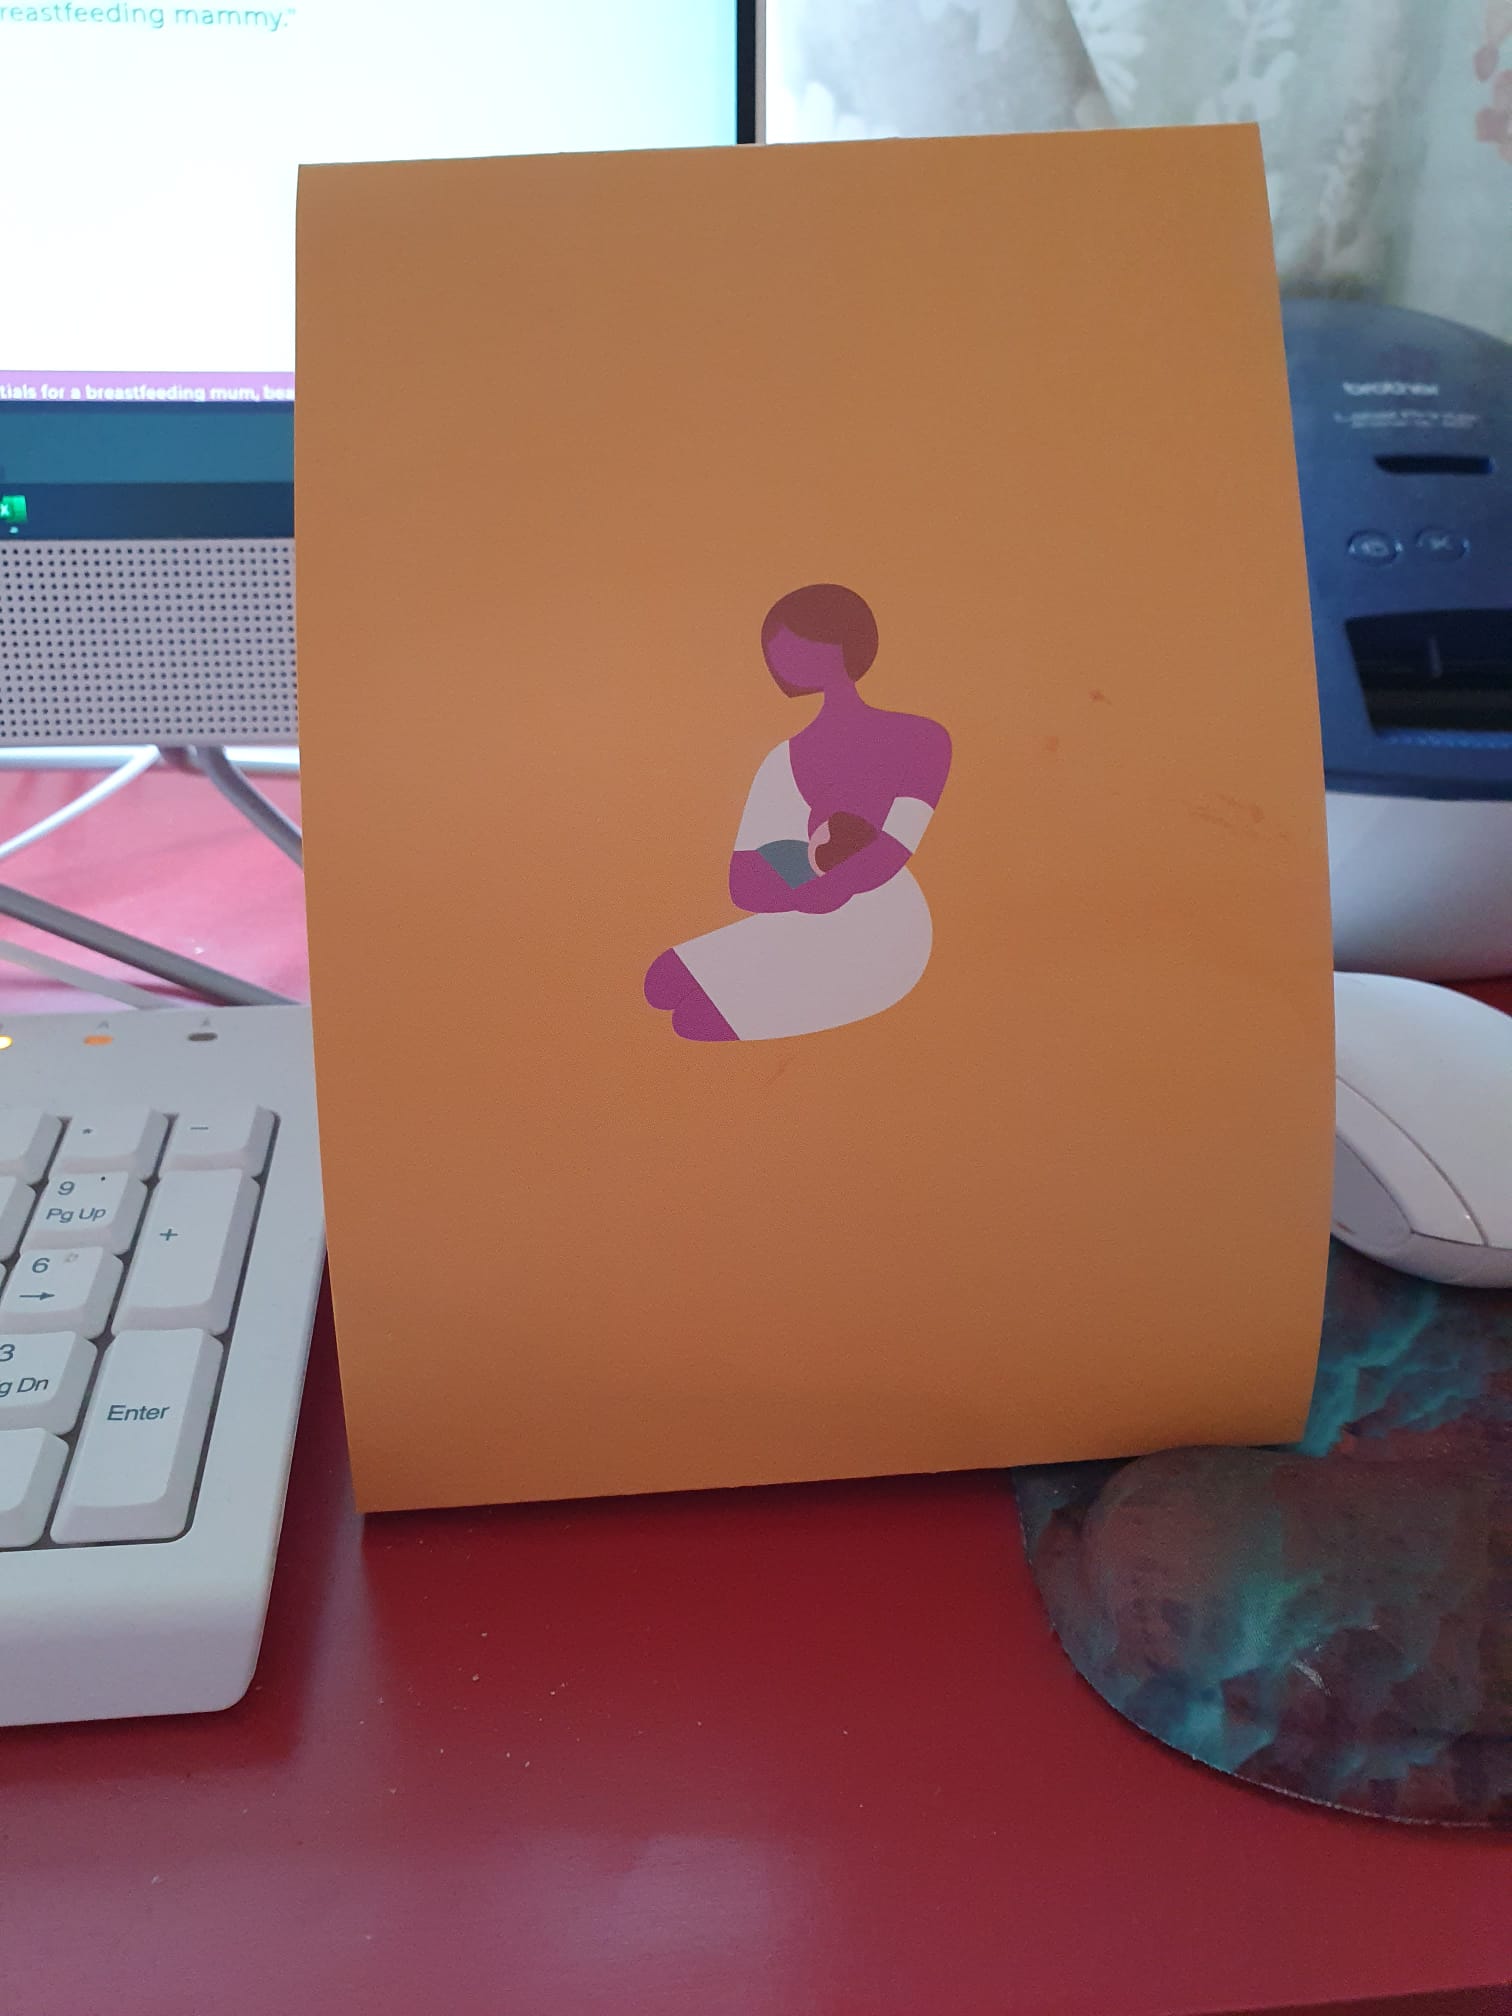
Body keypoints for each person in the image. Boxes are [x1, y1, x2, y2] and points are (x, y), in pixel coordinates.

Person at [645, 583, 951, 1042]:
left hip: (882, 924)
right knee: (664, 983)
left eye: (788, 638)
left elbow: (894, 848)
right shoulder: (781, 761)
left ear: (839, 644)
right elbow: (744, 882)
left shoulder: (922, 739)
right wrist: (807, 875)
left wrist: (830, 884)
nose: (773, 653)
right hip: (802, 909)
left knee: (692, 1018)